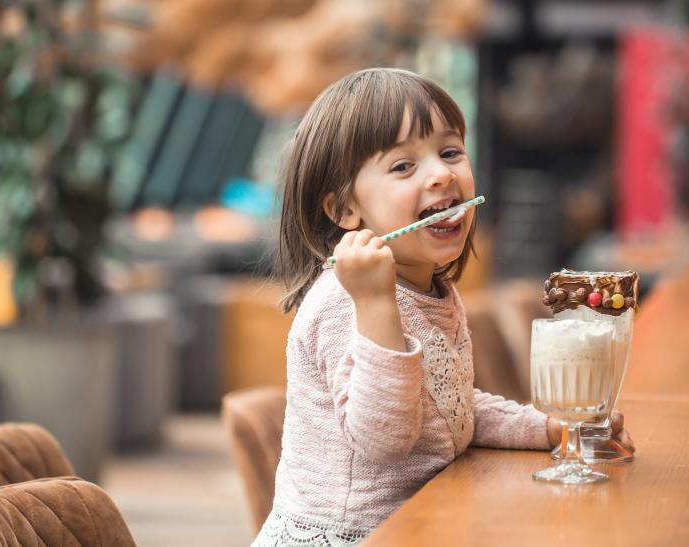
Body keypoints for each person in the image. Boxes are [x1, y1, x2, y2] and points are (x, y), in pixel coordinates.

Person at [256, 68, 634, 546]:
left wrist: (552, 429)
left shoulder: (432, 289)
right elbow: (385, 440)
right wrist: (374, 303)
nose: (441, 174)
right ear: (344, 210)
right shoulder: (344, 301)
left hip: (427, 523)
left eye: (451, 152)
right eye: (403, 166)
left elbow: (449, 407)